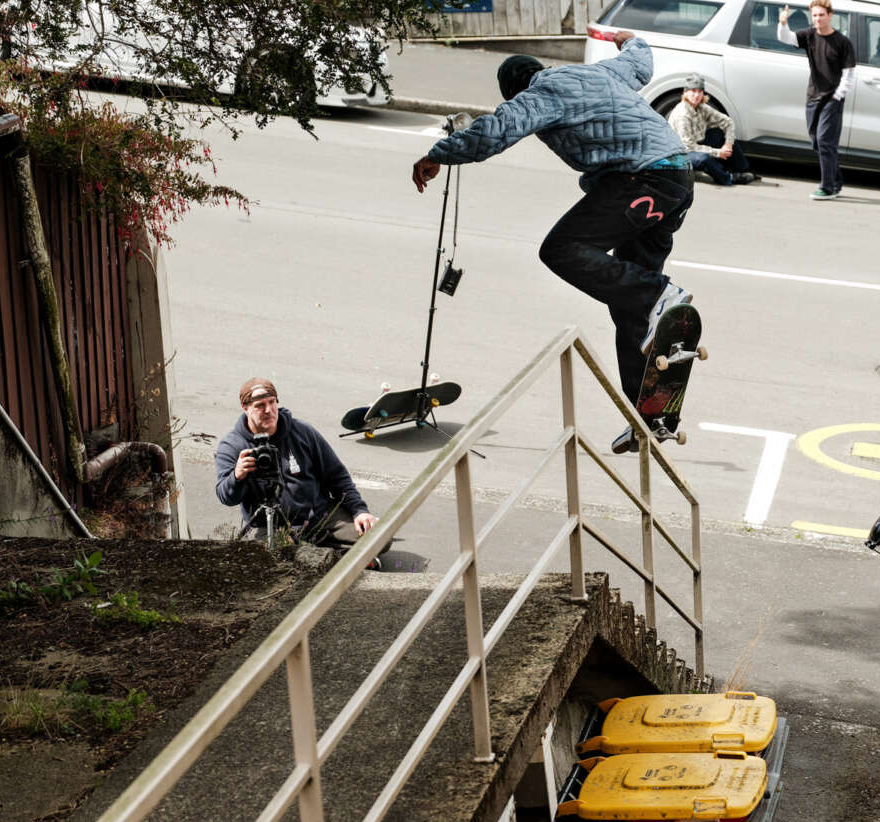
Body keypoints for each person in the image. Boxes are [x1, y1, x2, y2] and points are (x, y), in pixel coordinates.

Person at [411, 37, 693, 406]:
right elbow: (639, 62)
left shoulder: (541, 93)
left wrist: (439, 154)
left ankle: (660, 294)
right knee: (626, 296)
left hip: (643, 179)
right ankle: (650, 406)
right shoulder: (597, 71)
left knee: (562, 250)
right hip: (678, 179)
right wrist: (632, 40)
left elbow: (496, 131)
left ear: (514, 91)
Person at [216, 378, 377, 545]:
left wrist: (359, 511)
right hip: (272, 525)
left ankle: (323, 549)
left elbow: (337, 476)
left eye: (272, 402)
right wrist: (237, 476)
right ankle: (335, 553)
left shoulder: (302, 431)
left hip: (319, 515)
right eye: (260, 405)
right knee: (278, 555)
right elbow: (225, 496)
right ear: (245, 408)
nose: (268, 410)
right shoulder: (232, 445)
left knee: (377, 537)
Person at [776, 0, 856, 199]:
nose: (818, 19)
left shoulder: (842, 42)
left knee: (825, 141)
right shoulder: (809, 36)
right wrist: (783, 22)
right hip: (813, 96)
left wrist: (838, 96)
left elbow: (849, 73)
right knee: (817, 142)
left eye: (821, 15)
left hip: (832, 99)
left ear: (830, 15)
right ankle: (835, 180)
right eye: (815, 15)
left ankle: (827, 188)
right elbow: (787, 38)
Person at [668, 75, 759, 186]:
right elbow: (689, 147)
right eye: (693, 91)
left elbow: (728, 122)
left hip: (697, 143)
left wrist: (728, 144)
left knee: (720, 133)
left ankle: (743, 169)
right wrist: (718, 152)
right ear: (686, 93)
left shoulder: (701, 107)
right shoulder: (682, 115)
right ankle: (728, 177)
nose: (696, 95)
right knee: (704, 158)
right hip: (681, 153)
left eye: (699, 91)